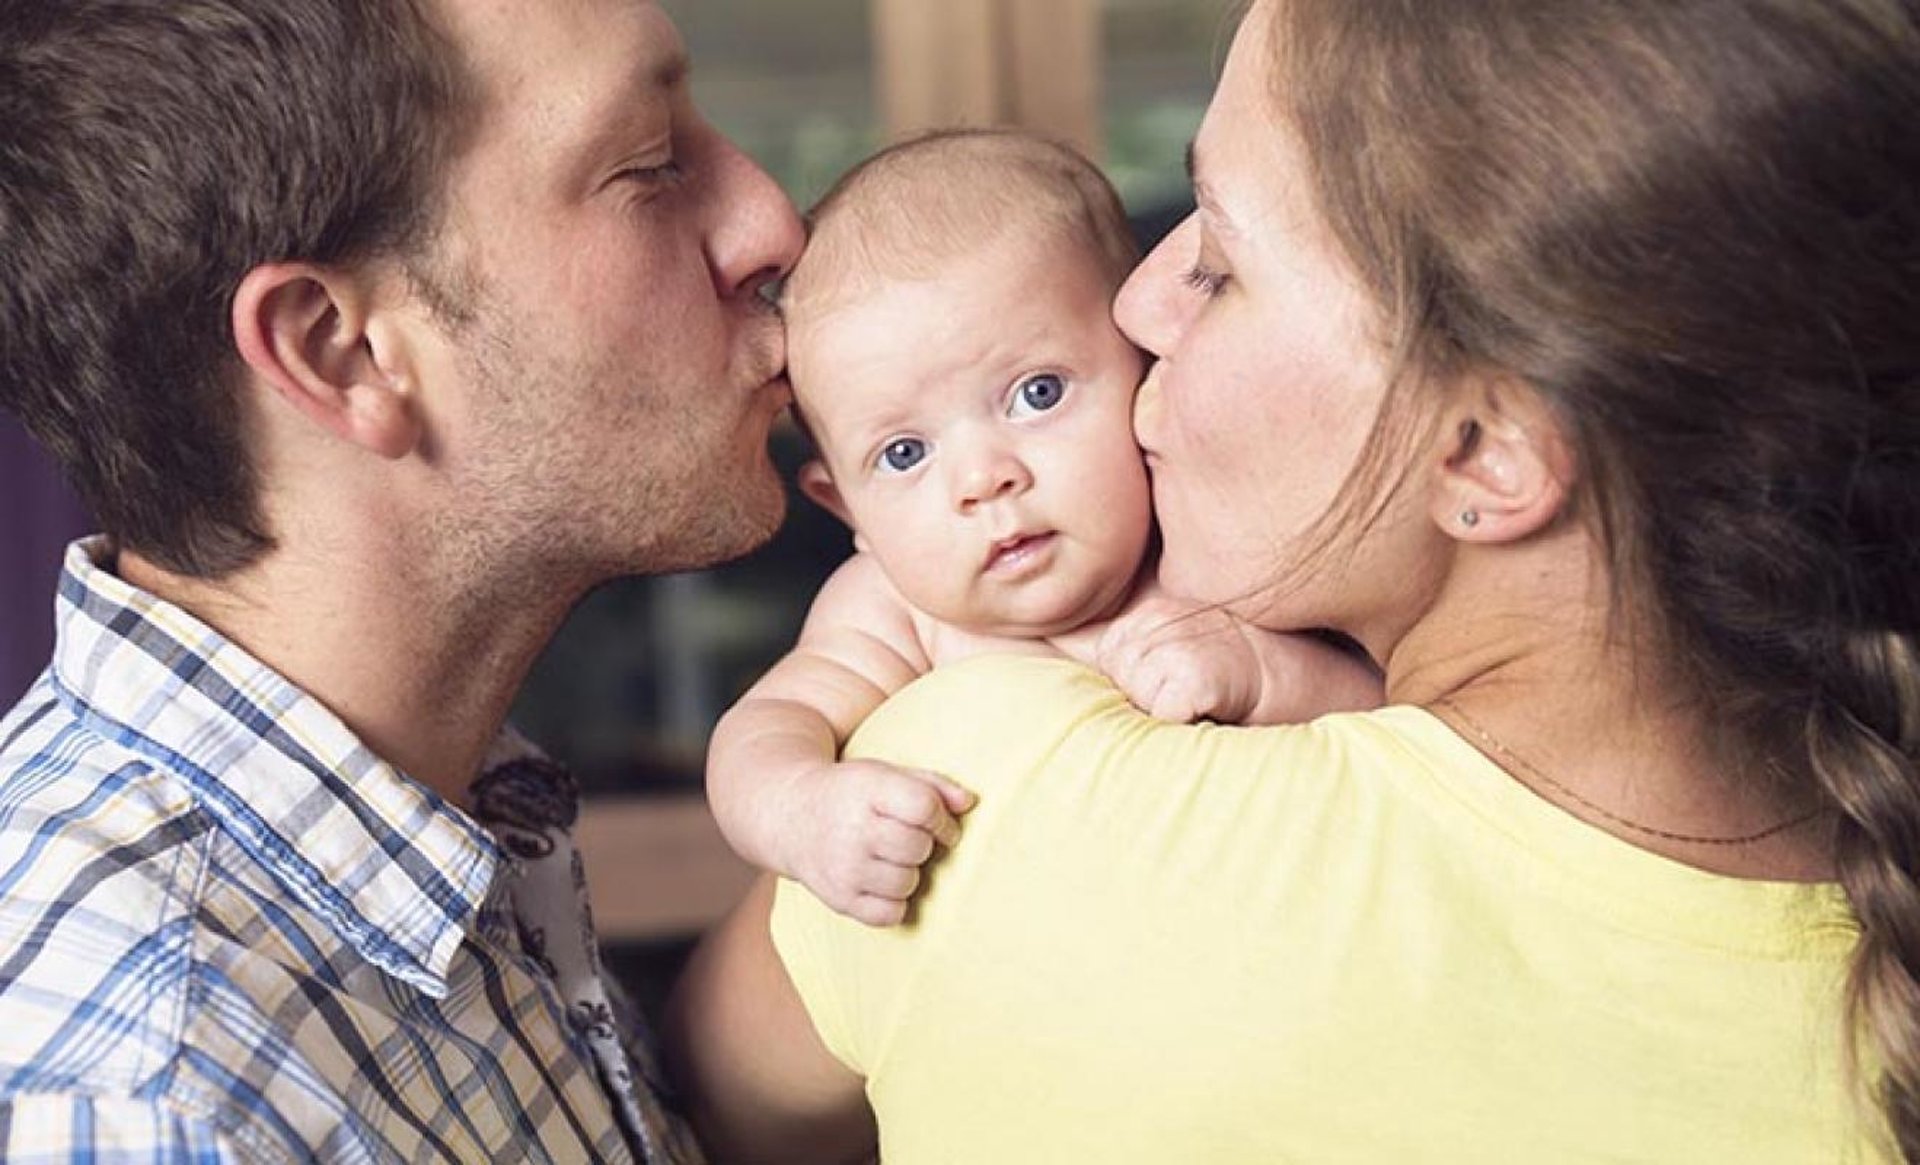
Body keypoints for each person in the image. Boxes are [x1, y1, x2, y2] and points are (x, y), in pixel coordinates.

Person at [663, 0, 1920, 1160]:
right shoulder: (1878, 964)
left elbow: (718, 1100)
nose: (1137, 302)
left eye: (1219, 263)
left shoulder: (999, 783)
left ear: (1483, 454)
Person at [0, 0, 801, 1160]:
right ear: (342, 349)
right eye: (649, 167)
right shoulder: (145, 1100)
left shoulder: (440, 818)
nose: (772, 223)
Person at [707, 129, 1384, 926]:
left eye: (1036, 394)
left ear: (1146, 367)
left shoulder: (1210, 539)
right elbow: (763, 730)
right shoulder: (894, 614)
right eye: (903, 452)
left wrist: (1273, 676)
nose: (984, 477)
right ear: (847, 510)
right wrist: (804, 811)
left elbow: (1392, 721)